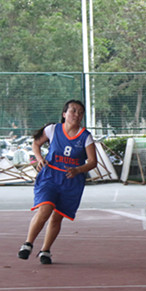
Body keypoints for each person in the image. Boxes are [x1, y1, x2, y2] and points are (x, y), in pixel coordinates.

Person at [17, 100, 97, 264]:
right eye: (73, 111)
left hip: (71, 181)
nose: (76, 114)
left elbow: (93, 162)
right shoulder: (53, 129)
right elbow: (36, 143)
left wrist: (78, 170)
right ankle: (28, 243)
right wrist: (39, 159)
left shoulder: (85, 137)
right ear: (64, 114)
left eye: (80, 112)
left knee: (57, 217)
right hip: (50, 176)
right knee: (45, 209)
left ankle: (45, 250)